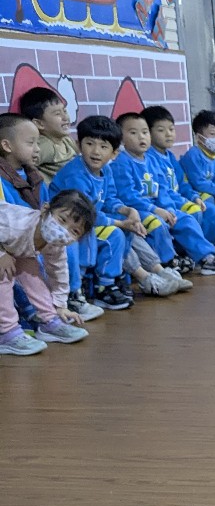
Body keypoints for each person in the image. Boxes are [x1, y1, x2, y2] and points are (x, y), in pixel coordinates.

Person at [0, 111, 103, 324]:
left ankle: (56, 309)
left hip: (26, 240)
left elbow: (58, 268)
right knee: (8, 271)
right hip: (10, 241)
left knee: (59, 252)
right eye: (31, 143)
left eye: (38, 143)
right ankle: (10, 326)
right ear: (7, 145)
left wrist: (59, 304)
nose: (37, 149)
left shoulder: (35, 177)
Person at [111, 112, 215, 277]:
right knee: (157, 223)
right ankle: (169, 261)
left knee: (186, 220)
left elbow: (163, 189)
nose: (141, 137)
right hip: (139, 209)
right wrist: (156, 209)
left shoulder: (151, 160)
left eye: (144, 132)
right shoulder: (121, 162)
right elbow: (128, 196)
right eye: (133, 133)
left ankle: (207, 257)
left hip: (158, 206)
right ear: (121, 138)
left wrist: (169, 208)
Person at [141, 105, 215, 265]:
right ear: (148, 133)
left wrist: (194, 197)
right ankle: (213, 253)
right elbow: (163, 190)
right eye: (161, 130)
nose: (168, 134)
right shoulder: (151, 158)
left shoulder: (170, 156)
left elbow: (183, 184)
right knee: (204, 211)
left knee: (213, 206)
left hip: (179, 200)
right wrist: (185, 201)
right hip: (168, 204)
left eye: (171, 129)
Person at [50, 115, 140, 311]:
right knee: (113, 233)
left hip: (88, 222)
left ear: (114, 153)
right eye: (89, 144)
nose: (96, 151)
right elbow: (79, 214)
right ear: (78, 145)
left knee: (127, 228)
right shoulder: (76, 174)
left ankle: (107, 283)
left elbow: (110, 199)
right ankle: (77, 289)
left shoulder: (106, 171)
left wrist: (127, 211)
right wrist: (118, 223)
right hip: (66, 225)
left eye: (103, 146)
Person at [0, 189, 95, 356]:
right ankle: (7, 332)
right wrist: (1, 254)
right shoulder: (15, 223)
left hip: (12, 247)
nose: (63, 230)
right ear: (45, 209)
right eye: (62, 220)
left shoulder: (55, 244)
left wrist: (60, 306)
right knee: (4, 274)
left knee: (33, 275)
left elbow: (58, 273)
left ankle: (49, 321)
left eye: (74, 231)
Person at [19, 85, 78, 182]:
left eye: (64, 111)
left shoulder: (66, 140)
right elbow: (22, 162)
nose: (65, 117)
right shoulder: (45, 145)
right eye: (57, 114)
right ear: (39, 124)